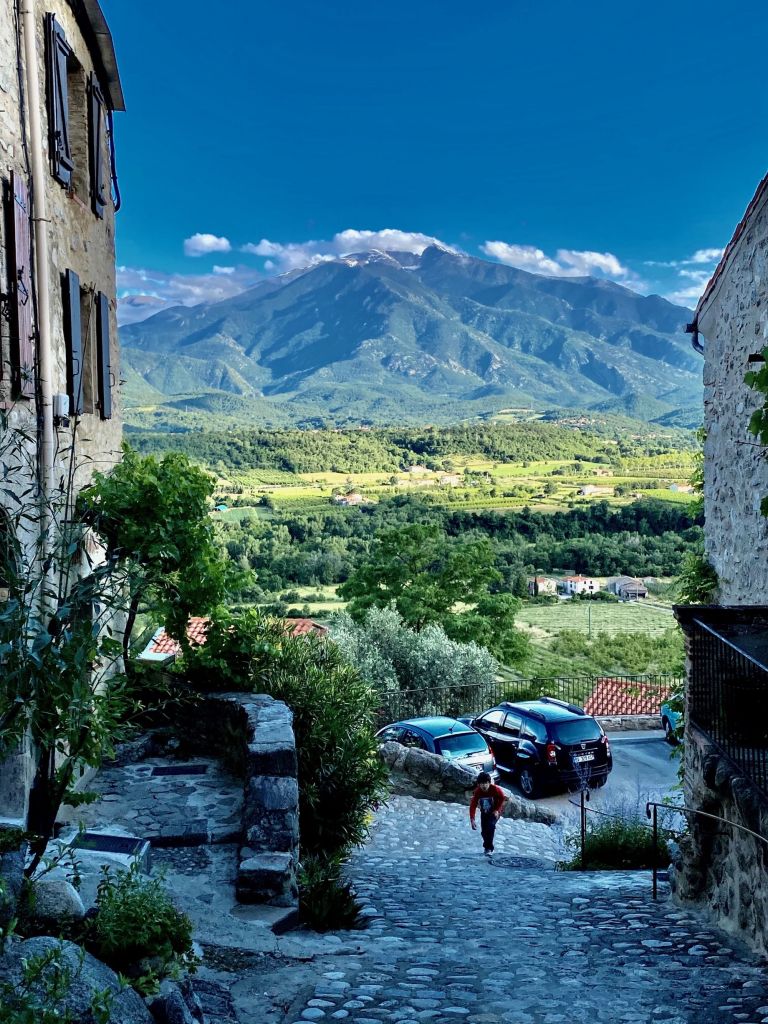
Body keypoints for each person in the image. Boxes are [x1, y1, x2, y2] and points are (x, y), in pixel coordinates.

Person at [469, 771, 507, 856]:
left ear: (489, 783)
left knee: (490, 826)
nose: (484, 786)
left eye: (486, 783)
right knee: (484, 832)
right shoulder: (478, 792)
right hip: (484, 812)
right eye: (482, 784)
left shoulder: (495, 789)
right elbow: (473, 805)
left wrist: (497, 810)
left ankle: (489, 848)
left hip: (494, 812)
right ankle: (487, 846)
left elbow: (502, 798)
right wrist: (472, 819)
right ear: (479, 784)